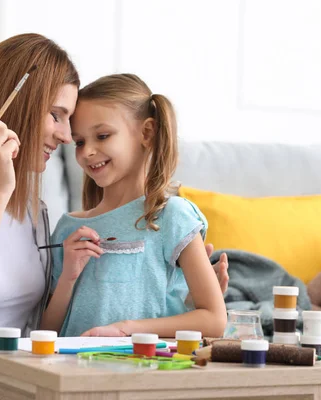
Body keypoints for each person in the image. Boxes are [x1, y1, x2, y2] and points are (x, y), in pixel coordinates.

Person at [0, 34, 228, 400]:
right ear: (14, 105)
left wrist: (178, 299)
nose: (64, 136)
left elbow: (51, 327)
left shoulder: (35, 211)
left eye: (69, 122)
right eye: (57, 116)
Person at [41, 73, 228, 338]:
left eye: (103, 136)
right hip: (72, 374)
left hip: (143, 373)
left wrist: (125, 330)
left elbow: (214, 319)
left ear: (147, 133)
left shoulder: (171, 217)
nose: (87, 152)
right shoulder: (68, 229)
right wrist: (67, 278)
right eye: (80, 142)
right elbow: (45, 332)